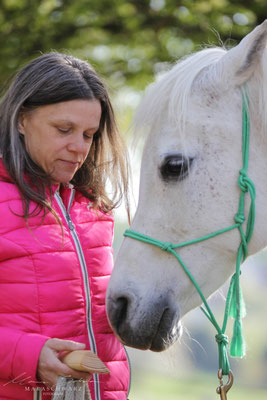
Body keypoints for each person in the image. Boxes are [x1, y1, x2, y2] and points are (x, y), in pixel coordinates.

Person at [0, 52, 130, 400]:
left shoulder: (95, 211)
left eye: (89, 135)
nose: (79, 148)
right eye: (63, 129)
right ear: (22, 119)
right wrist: (26, 355)